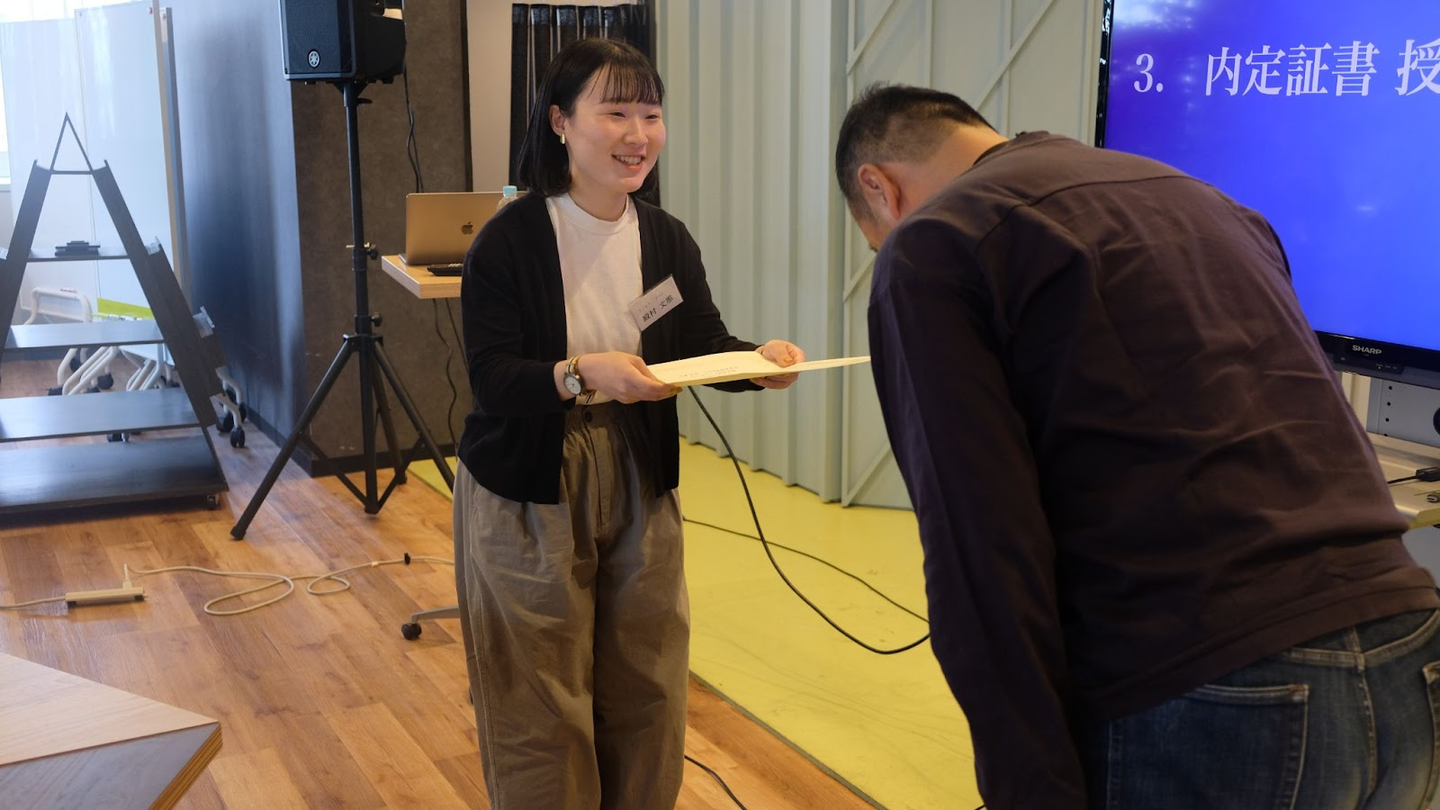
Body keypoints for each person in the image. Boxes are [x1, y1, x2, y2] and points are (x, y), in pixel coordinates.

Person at [835, 83, 1440, 809]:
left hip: (1218, 686)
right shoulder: (1205, 200)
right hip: (1411, 650)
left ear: (880, 189)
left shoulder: (933, 243)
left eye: (874, 236)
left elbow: (980, 548)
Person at [453, 38, 804, 810]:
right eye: (615, 112)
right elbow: (493, 380)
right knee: (540, 689)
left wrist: (757, 362)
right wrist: (583, 373)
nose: (638, 134)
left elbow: (699, 344)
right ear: (560, 122)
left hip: (641, 468)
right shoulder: (510, 239)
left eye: (650, 113)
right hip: (529, 478)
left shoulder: (665, 236)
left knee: (649, 674)